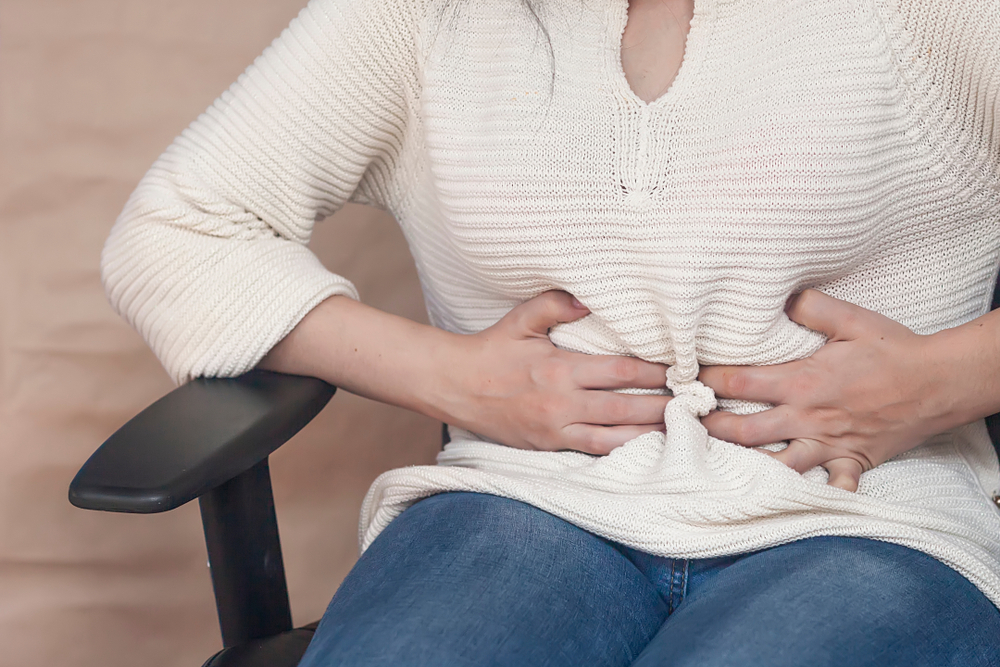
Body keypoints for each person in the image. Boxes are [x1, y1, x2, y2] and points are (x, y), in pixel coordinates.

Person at [101, 0, 1000, 664]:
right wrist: (448, 377)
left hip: (863, 521)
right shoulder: (423, 18)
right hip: (520, 509)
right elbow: (176, 231)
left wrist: (943, 381)